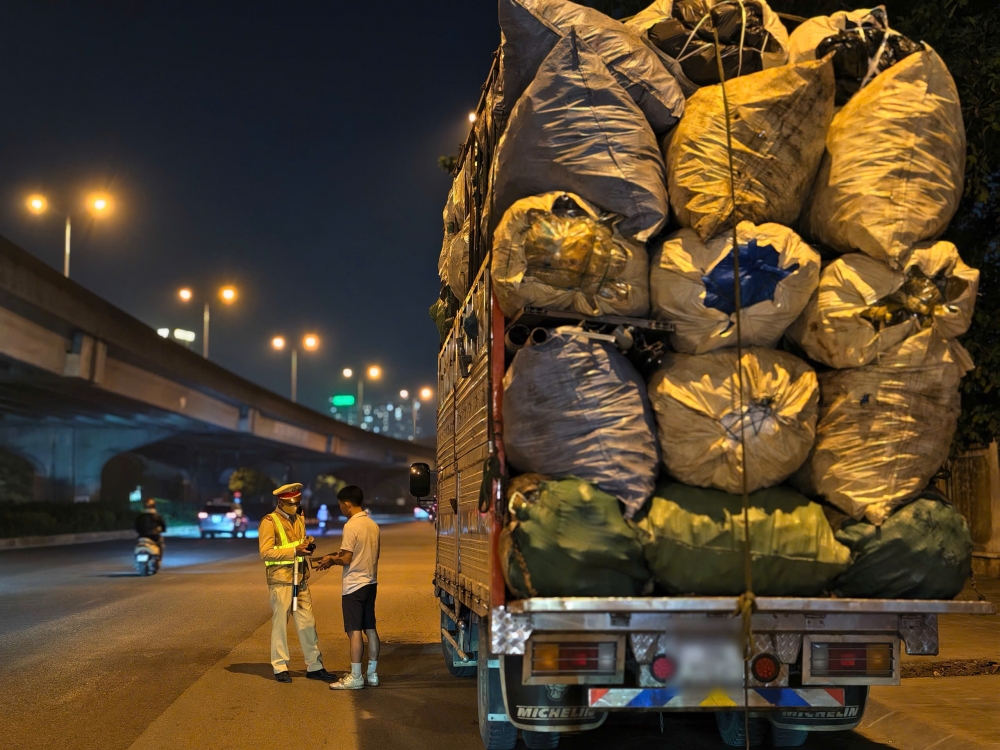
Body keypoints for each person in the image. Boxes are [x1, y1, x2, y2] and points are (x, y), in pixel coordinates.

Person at [258, 482, 337, 684]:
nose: (295, 506)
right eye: (290, 503)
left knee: (308, 623)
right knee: (280, 625)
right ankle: (280, 667)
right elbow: (266, 552)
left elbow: (298, 542)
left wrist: (305, 547)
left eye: (297, 503)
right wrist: (295, 550)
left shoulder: (299, 517)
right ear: (280, 502)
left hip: (300, 577)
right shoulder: (269, 521)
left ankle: (315, 666)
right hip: (281, 579)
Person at [317, 485, 381, 690]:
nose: (340, 509)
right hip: (371, 582)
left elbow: (346, 558)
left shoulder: (351, 526)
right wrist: (334, 557)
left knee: (354, 631)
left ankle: (355, 677)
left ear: (346, 503)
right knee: (370, 629)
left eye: (340, 506)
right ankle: (371, 674)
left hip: (354, 585)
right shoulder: (372, 524)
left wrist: (330, 560)